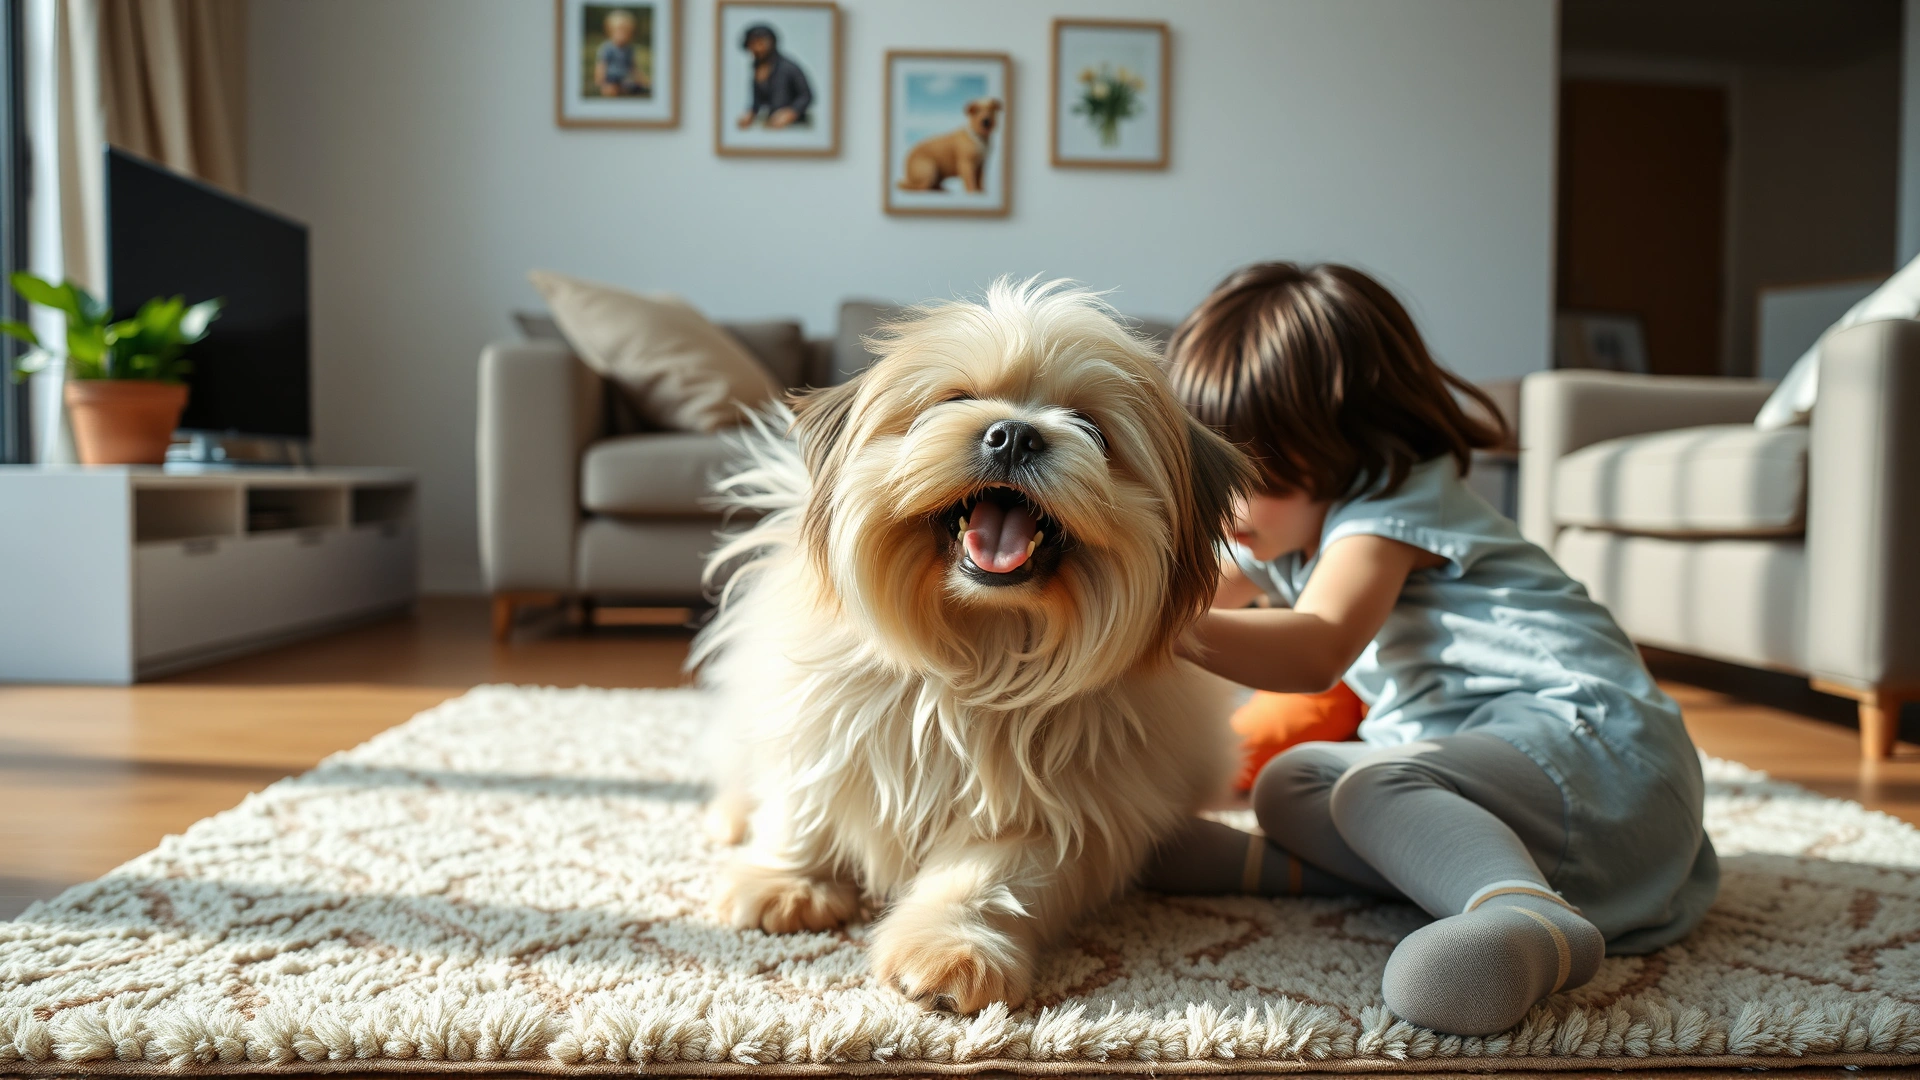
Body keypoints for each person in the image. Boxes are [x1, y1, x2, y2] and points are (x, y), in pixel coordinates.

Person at [1148, 262, 1718, 1037]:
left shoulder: (1391, 499)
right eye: (1217, 478)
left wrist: (1139, 622)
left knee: (1371, 786)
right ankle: (1330, 875)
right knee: (1292, 781)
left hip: (1596, 753)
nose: (1234, 507)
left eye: (1263, 475)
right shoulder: (1280, 523)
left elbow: (1315, 647)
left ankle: (1531, 925)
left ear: (1348, 443)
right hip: (1515, 793)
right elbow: (1194, 591)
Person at [735, 24, 812, 129]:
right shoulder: (757, 69)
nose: (757, 49)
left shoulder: (788, 67)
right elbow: (757, 100)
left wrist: (791, 112)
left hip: (795, 125)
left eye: (760, 43)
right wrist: (751, 113)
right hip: (771, 122)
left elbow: (806, 95)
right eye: (753, 44)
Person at [594, 9, 650, 98]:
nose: (623, 35)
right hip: (611, 77)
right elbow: (601, 66)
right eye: (620, 31)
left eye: (627, 32)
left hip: (624, 78)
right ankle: (612, 89)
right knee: (610, 88)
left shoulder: (629, 49)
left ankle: (623, 89)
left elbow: (633, 67)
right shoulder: (607, 48)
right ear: (610, 31)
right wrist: (601, 82)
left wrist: (643, 80)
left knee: (635, 85)